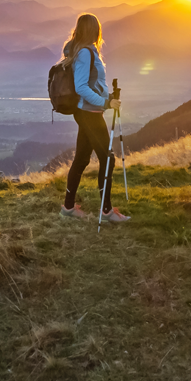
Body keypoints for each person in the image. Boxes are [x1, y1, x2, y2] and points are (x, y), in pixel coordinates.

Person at [59, 13, 129, 223]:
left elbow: (94, 84)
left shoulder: (85, 51)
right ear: (94, 30)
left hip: (89, 112)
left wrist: (108, 98)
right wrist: (106, 103)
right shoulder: (85, 53)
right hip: (88, 113)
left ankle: (69, 207)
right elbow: (81, 87)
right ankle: (106, 211)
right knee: (108, 159)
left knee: (81, 159)